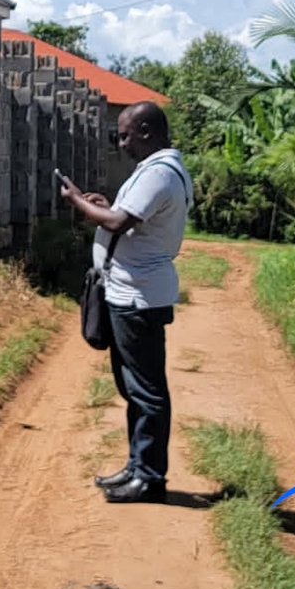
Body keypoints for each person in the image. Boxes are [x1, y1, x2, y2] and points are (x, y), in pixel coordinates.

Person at [59, 100, 193, 504]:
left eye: (124, 135)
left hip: (138, 297)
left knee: (147, 391)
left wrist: (77, 201)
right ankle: (138, 468)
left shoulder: (160, 173)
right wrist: (104, 207)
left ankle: (150, 478)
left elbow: (120, 224)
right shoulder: (156, 170)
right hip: (131, 292)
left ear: (146, 132)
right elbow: (127, 218)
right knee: (134, 388)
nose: (120, 143)